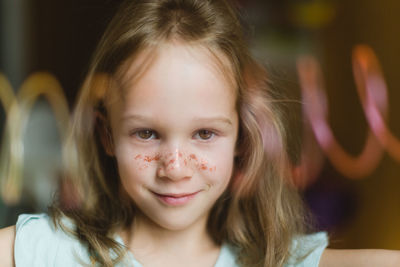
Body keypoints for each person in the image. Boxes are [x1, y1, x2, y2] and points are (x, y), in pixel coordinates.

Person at [0, 0, 399, 266]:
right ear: (106, 135)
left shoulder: (276, 260)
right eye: (147, 134)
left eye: (205, 134)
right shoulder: (58, 252)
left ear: (242, 136)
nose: (175, 168)